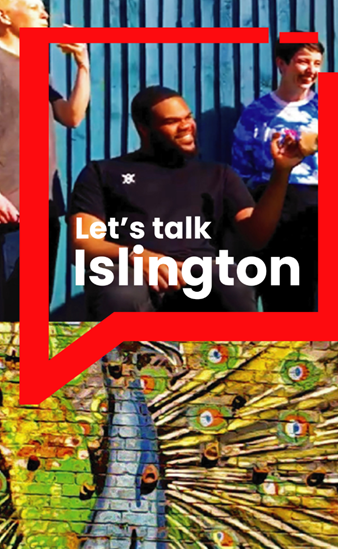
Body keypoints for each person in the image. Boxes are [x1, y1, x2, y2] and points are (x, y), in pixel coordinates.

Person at [69, 86, 306, 319]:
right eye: (172, 121)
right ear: (143, 129)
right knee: (121, 291)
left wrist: (281, 172)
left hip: (199, 273)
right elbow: (83, 243)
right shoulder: (102, 172)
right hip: (129, 271)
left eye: (188, 117)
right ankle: (128, 358)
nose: (186, 126)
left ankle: (234, 358)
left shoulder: (218, 175)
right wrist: (138, 257)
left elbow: (257, 235)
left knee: (233, 281)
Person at [0, 0, 89, 320]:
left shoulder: (35, 64)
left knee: (32, 313)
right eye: (33, 6)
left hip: (44, 205)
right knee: (7, 312)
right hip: (8, 207)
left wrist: (83, 63)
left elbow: (72, 115)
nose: (45, 13)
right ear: (4, 15)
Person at [232, 37, 320, 312]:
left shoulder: (327, 109)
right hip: (271, 202)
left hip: (315, 205)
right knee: (277, 286)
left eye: (317, 63)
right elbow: (240, 163)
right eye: (303, 61)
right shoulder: (257, 113)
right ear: (281, 64)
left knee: (308, 289)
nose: (311, 70)